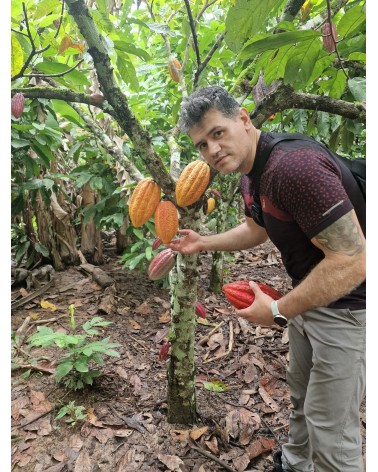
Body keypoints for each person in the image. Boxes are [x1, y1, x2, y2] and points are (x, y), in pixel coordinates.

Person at [167, 86, 366, 472]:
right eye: (201, 145)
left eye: (217, 133)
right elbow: (256, 229)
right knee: (302, 397)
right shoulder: (251, 171)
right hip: (311, 296)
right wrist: (203, 242)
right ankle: (294, 465)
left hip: (350, 310)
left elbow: (354, 260)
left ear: (243, 118)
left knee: (333, 429)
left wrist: (276, 310)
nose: (212, 150)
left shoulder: (293, 168)